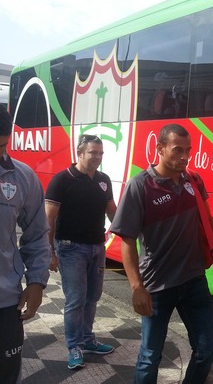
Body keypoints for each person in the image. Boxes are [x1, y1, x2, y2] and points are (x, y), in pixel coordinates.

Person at [110, 124, 213, 383]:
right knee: (150, 356)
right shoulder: (140, 186)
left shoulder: (194, 180)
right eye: (177, 150)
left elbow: (208, 222)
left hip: (194, 281)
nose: (184, 156)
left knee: (207, 350)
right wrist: (137, 288)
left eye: (188, 150)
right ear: (160, 148)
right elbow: (127, 240)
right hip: (157, 287)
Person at [45, 134, 118, 369]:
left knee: (92, 298)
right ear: (80, 153)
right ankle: (74, 346)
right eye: (92, 152)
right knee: (75, 300)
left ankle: (88, 340)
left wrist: (131, 232)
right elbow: (49, 219)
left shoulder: (104, 180)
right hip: (70, 248)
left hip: (97, 248)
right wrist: (50, 252)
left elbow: (112, 213)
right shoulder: (62, 180)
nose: (97, 157)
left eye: (100, 153)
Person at [0, 109, 51, 383]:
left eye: (2, 146)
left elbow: (37, 233)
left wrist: (36, 281)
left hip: (6, 304)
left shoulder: (22, 177)